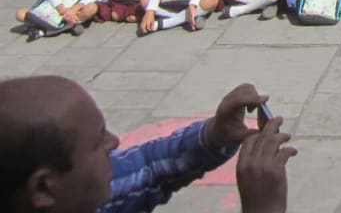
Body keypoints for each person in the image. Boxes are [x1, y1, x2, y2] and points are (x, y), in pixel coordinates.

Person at [0, 77, 296, 213]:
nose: (114, 142)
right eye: (97, 141)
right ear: (43, 188)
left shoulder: (81, 194)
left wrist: (214, 136)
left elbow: (147, 168)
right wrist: (264, 208)